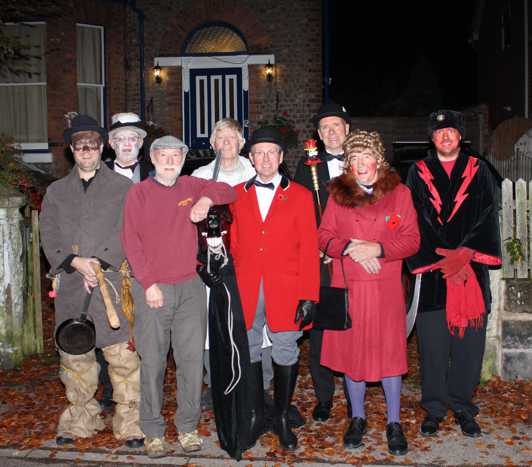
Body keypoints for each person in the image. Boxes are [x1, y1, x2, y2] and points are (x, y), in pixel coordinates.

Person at [121, 135, 236, 458]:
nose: (170, 160)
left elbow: (228, 191)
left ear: (184, 159)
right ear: (153, 158)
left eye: (176, 155)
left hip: (190, 288)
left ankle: (187, 427)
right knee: (153, 363)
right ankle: (153, 431)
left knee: (190, 363)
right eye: (163, 155)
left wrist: (206, 200)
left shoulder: (190, 185)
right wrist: (149, 283)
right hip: (153, 289)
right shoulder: (139, 193)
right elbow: (131, 242)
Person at [40, 114, 144, 448]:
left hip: (111, 282)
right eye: (80, 145)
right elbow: (48, 232)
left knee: (123, 359)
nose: (86, 150)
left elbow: (129, 230)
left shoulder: (122, 187)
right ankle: (81, 419)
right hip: (71, 284)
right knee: (76, 359)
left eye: (92, 144)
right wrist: (75, 262)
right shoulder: (56, 191)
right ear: (72, 150)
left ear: (101, 148)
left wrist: (99, 262)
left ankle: (129, 423)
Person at [318, 130, 420, 455]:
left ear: (378, 158)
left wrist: (376, 248)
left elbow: (412, 240)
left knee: (389, 355)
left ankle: (393, 422)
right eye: (354, 158)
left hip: (385, 286)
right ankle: (357, 418)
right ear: (348, 163)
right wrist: (349, 247)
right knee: (353, 354)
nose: (361, 164)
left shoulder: (399, 193)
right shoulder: (337, 195)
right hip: (349, 287)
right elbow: (324, 237)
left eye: (366, 157)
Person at [406, 110, 501, 438]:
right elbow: (414, 217)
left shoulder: (480, 170)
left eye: (451, 131)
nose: (445, 137)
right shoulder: (418, 172)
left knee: (468, 346)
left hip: (471, 270)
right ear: (431, 139)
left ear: (461, 136)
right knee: (432, 347)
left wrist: (464, 253)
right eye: (439, 132)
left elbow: (489, 213)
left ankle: (461, 405)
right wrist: (443, 257)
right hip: (434, 274)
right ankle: (433, 407)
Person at [229, 126, 320, 450]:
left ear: (281, 158)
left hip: (287, 288)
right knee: (251, 347)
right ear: (251, 159)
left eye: (272, 153)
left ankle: (281, 415)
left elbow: (310, 249)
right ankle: (255, 414)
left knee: (285, 347)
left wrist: (309, 294)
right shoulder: (236, 195)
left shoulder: (301, 196)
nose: (265, 159)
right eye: (259, 153)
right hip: (248, 286)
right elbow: (234, 245)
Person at [294, 101, 351, 422]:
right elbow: (301, 213)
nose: (331, 132)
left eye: (337, 126)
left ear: (347, 130)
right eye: (325, 128)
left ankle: (356, 388)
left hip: (356, 259)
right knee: (321, 328)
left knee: (354, 324)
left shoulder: (362, 162)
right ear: (318, 134)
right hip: (322, 260)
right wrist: (316, 245)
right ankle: (324, 396)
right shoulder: (307, 166)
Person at [94, 112, 151, 411]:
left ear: (141, 144)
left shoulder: (156, 175)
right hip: (111, 266)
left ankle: (143, 393)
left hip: (145, 266)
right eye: (121, 139)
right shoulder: (97, 177)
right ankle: (109, 391)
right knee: (110, 328)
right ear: (111, 145)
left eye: (133, 138)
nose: (127, 144)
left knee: (144, 328)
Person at [106, 112, 152, 181]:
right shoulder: (99, 173)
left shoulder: (153, 174)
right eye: (120, 139)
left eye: (132, 139)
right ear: (112, 143)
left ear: (140, 143)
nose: (127, 144)